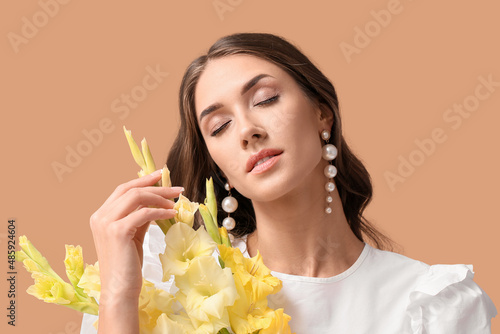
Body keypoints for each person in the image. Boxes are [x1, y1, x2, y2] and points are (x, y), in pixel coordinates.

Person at [81, 33, 497, 333]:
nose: (247, 130)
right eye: (220, 126)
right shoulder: (165, 280)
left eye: (265, 99)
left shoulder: (430, 305)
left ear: (322, 114)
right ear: (220, 166)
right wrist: (118, 295)